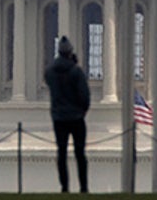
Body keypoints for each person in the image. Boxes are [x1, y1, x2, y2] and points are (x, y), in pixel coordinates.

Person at [45, 35, 91, 193]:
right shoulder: (76, 72)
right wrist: (82, 110)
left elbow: (51, 85)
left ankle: (64, 187)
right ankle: (83, 187)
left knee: (62, 153)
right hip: (76, 117)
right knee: (80, 153)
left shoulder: (50, 72)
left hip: (59, 118)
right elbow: (84, 96)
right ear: (70, 52)